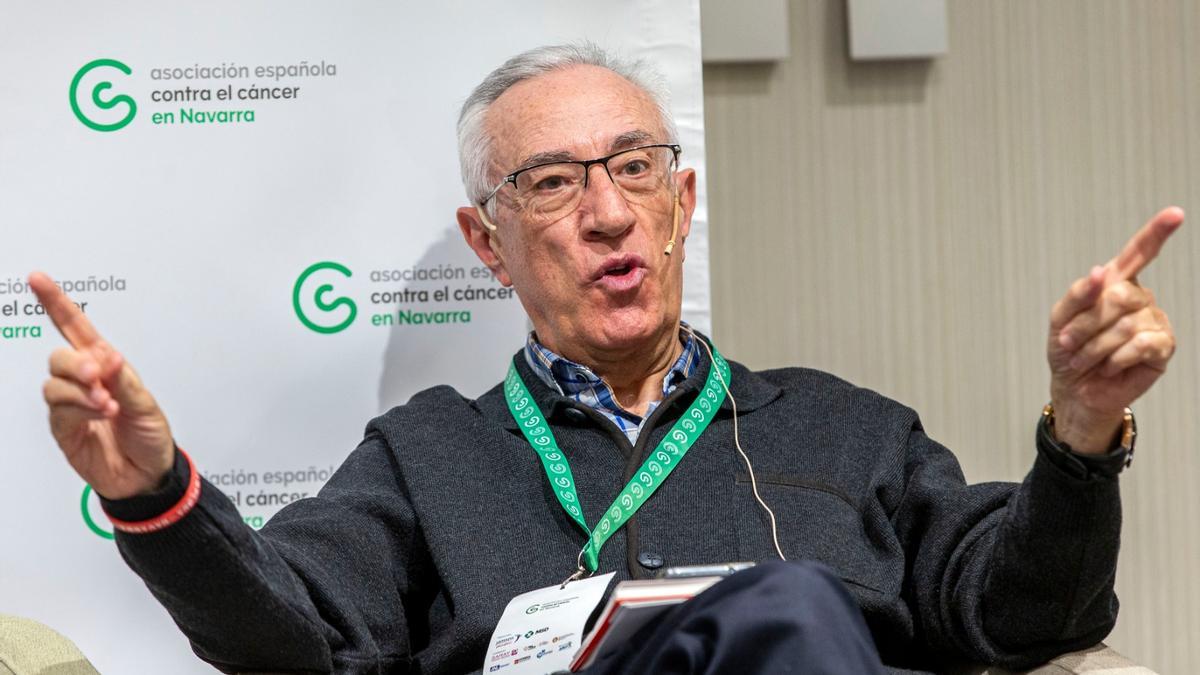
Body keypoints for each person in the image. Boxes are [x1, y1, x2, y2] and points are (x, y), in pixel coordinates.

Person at [31, 43, 1180, 674]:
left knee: (786, 617)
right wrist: (153, 491)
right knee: (781, 608)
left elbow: (1023, 618)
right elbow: (297, 640)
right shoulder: (429, 454)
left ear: (681, 205)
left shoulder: (848, 430)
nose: (607, 213)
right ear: (490, 244)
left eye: (634, 168)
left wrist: (1080, 435)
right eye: (553, 182)